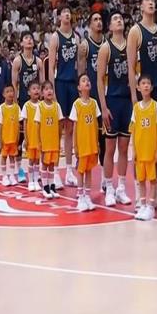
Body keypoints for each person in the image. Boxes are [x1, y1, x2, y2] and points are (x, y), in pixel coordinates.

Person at [127, 0, 157, 210]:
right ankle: (139, 195)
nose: (152, 2)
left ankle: (155, 192)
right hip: (142, 92)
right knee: (139, 144)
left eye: (153, 0)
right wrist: (134, 96)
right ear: (141, 6)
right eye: (147, 0)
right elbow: (130, 66)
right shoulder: (135, 31)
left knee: (155, 145)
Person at [97, 12, 132, 207]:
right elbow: (100, 80)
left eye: (121, 18)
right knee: (109, 148)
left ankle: (121, 188)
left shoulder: (131, 46)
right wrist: (103, 107)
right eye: (115, 19)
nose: (119, 20)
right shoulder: (105, 48)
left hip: (127, 102)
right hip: (112, 101)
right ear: (110, 27)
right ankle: (109, 187)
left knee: (124, 148)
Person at [48, 6, 82, 188]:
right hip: (60, 83)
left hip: (72, 84)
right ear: (59, 16)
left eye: (69, 12)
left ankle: (69, 171)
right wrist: (52, 90)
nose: (67, 14)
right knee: (57, 128)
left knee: (70, 129)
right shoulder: (55, 37)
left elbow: (80, 63)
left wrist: (81, 84)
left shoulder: (76, 37)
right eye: (64, 12)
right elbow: (51, 66)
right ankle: (54, 172)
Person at [130, 75, 157, 221]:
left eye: (148, 83)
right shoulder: (136, 108)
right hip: (140, 150)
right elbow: (133, 131)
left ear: (151, 87)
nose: (145, 85)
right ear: (138, 87)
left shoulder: (156, 106)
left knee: (153, 180)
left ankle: (151, 206)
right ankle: (143, 205)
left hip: (151, 151)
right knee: (141, 180)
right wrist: (134, 150)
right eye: (143, 83)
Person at [11, 31, 44, 183]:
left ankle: (37, 170)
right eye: (26, 38)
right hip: (23, 102)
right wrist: (15, 104)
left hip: (36, 104)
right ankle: (19, 170)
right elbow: (14, 84)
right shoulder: (18, 61)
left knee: (37, 137)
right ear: (21, 43)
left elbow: (42, 83)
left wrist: (42, 102)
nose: (29, 40)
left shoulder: (39, 61)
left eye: (31, 38)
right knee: (21, 137)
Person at [70, 74, 100, 212]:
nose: (86, 82)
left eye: (88, 80)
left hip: (92, 143)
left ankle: (87, 196)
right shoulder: (76, 104)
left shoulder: (94, 103)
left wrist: (97, 142)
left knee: (89, 170)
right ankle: (80, 196)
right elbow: (75, 127)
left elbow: (96, 125)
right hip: (82, 144)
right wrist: (75, 145)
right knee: (81, 170)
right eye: (83, 80)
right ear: (79, 87)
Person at [79, 12, 106, 167]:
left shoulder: (107, 43)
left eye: (100, 19)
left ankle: (104, 169)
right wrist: (83, 95)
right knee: (89, 131)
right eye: (95, 19)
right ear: (90, 25)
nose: (98, 22)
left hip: (106, 91)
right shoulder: (85, 46)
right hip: (91, 93)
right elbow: (81, 73)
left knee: (104, 133)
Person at [34, 81, 63, 199]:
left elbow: (60, 124)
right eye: (46, 89)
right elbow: (37, 126)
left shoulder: (57, 106)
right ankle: (45, 187)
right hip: (45, 142)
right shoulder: (40, 107)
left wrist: (59, 139)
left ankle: (51, 186)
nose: (49, 91)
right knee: (45, 164)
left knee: (52, 164)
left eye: (51, 88)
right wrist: (39, 142)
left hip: (54, 141)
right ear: (42, 93)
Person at [20, 80, 41, 191]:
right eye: (34, 88)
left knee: (37, 160)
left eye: (38, 88)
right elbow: (24, 123)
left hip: (39, 139)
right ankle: (31, 181)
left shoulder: (42, 105)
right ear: (29, 92)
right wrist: (26, 138)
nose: (36, 90)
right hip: (30, 138)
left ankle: (36, 180)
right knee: (31, 160)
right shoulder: (27, 106)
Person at [0, 84, 21, 186]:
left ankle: (11, 175)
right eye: (7, 92)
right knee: (4, 157)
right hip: (5, 138)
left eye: (11, 91)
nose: (10, 93)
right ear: (3, 94)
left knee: (12, 157)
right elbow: (0, 125)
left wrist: (18, 137)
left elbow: (19, 124)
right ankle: (4, 176)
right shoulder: (1, 108)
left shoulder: (17, 107)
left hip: (14, 138)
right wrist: (0, 140)